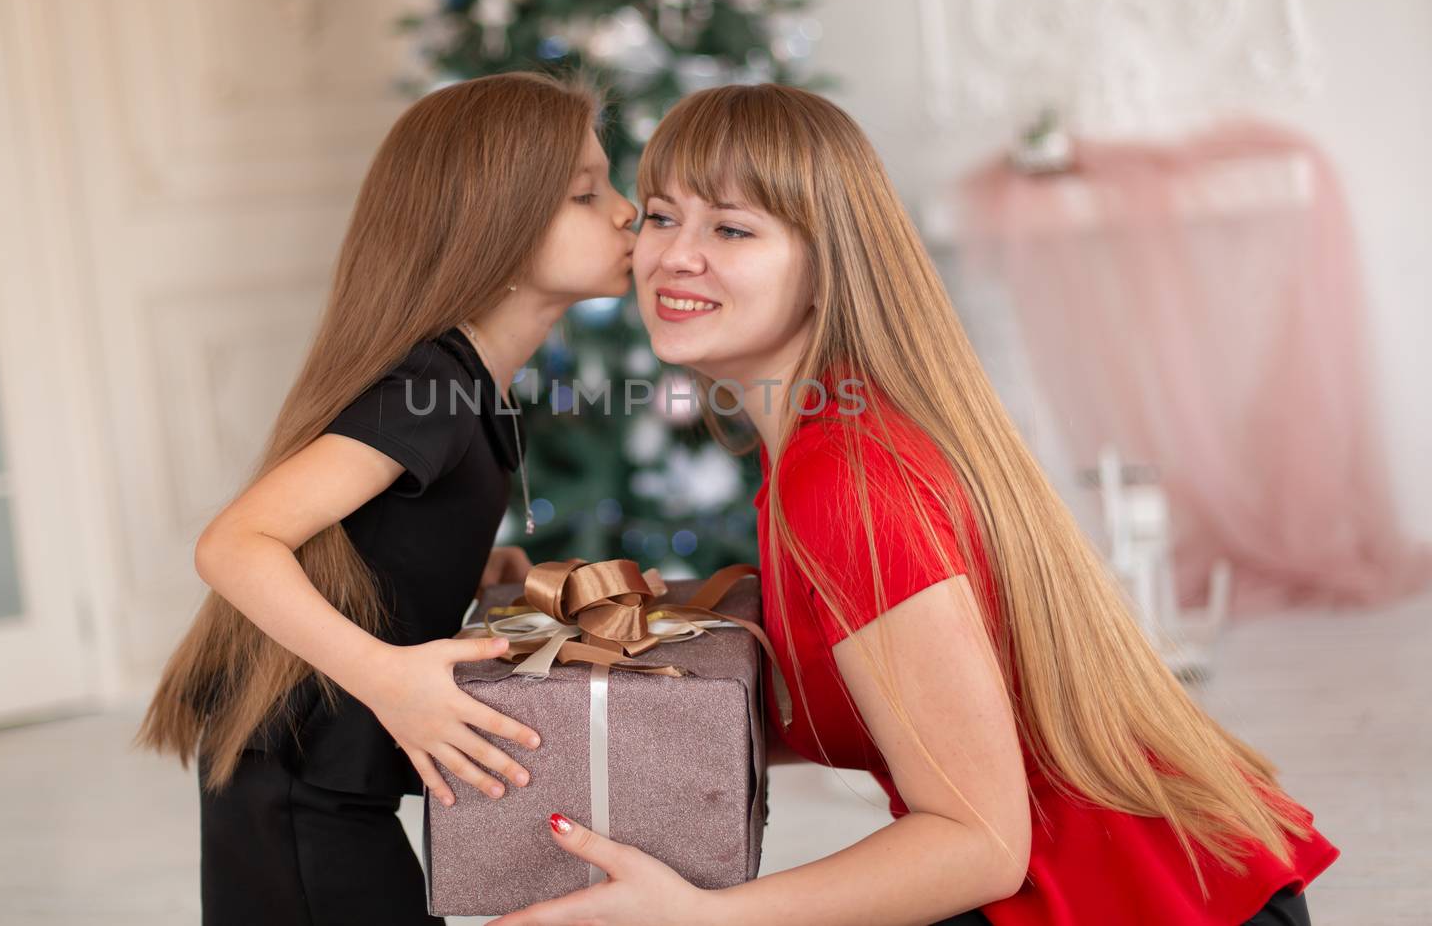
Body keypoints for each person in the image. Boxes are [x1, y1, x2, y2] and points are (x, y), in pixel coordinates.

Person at [492, 84, 1338, 926]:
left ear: (830, 270)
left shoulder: (845, 480)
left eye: (732, 228)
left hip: (1132, 902)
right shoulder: (821, 438)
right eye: (663, 216)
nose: (675, 254)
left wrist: (701, 917)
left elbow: (978, 841)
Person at [132, 71, 639, 925]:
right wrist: (386, 677)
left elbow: (383, 529)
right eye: (588, 194)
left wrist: (470, 568)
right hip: (300, 788)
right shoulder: (427, 392)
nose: (627, 211)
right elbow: (233, 543)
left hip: (323, 781)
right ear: (498, 228)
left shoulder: (464, 386)